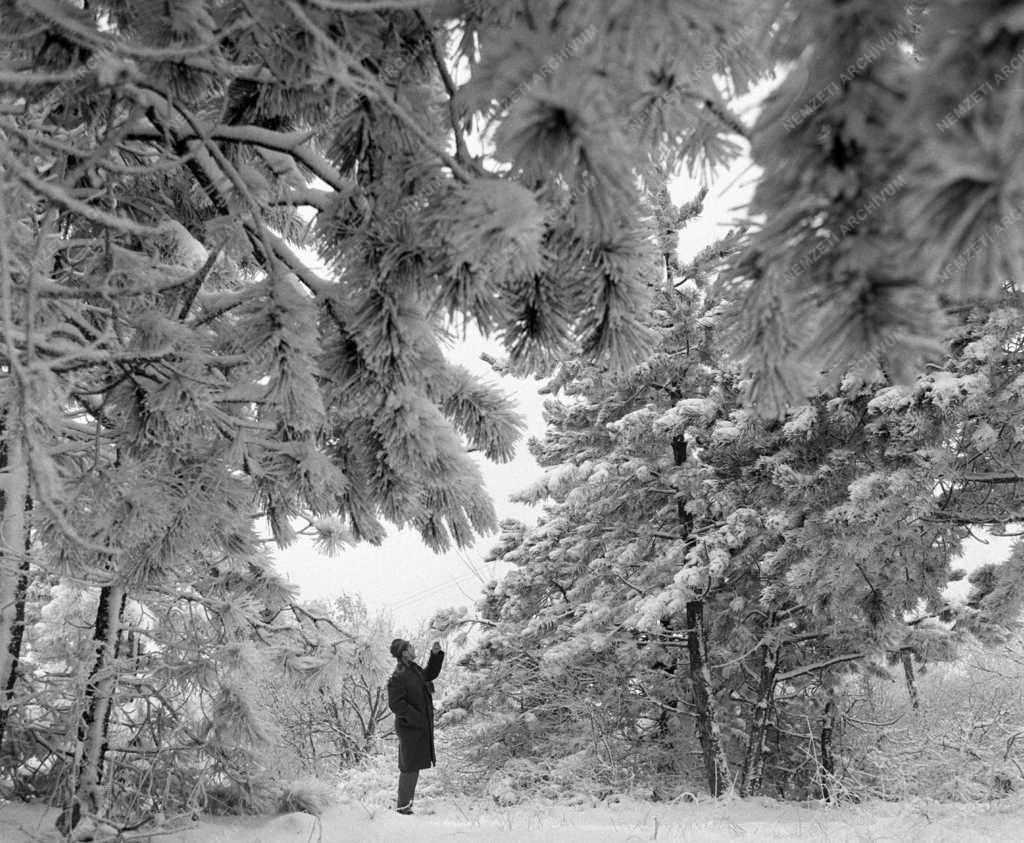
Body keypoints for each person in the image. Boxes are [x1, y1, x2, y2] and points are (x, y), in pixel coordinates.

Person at [386, 637, 444, 815]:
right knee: (409, 767)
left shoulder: (413, 669)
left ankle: (406, 806)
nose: (413, 648)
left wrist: (435, 656)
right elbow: (396, 704)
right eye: (410, 646)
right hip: (410, 728)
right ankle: (403, 809)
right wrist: (417, 718)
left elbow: (429, 675)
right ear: (404, 652)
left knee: (413, 766)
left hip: (417, 727)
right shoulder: (398, 675)